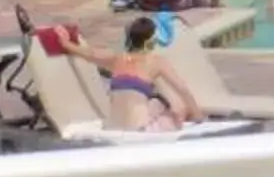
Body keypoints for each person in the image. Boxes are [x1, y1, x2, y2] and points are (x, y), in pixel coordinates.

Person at [63, 17, 203, 135]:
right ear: (150, 41)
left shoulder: (116, 59)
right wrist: (199, 118)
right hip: (140, 131)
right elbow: (183, 89)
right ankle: (195, 120)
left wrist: (65, 43)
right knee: (180, 108)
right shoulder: (156, 61)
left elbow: (90, 54)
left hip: (113, 129)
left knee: (155, 103)